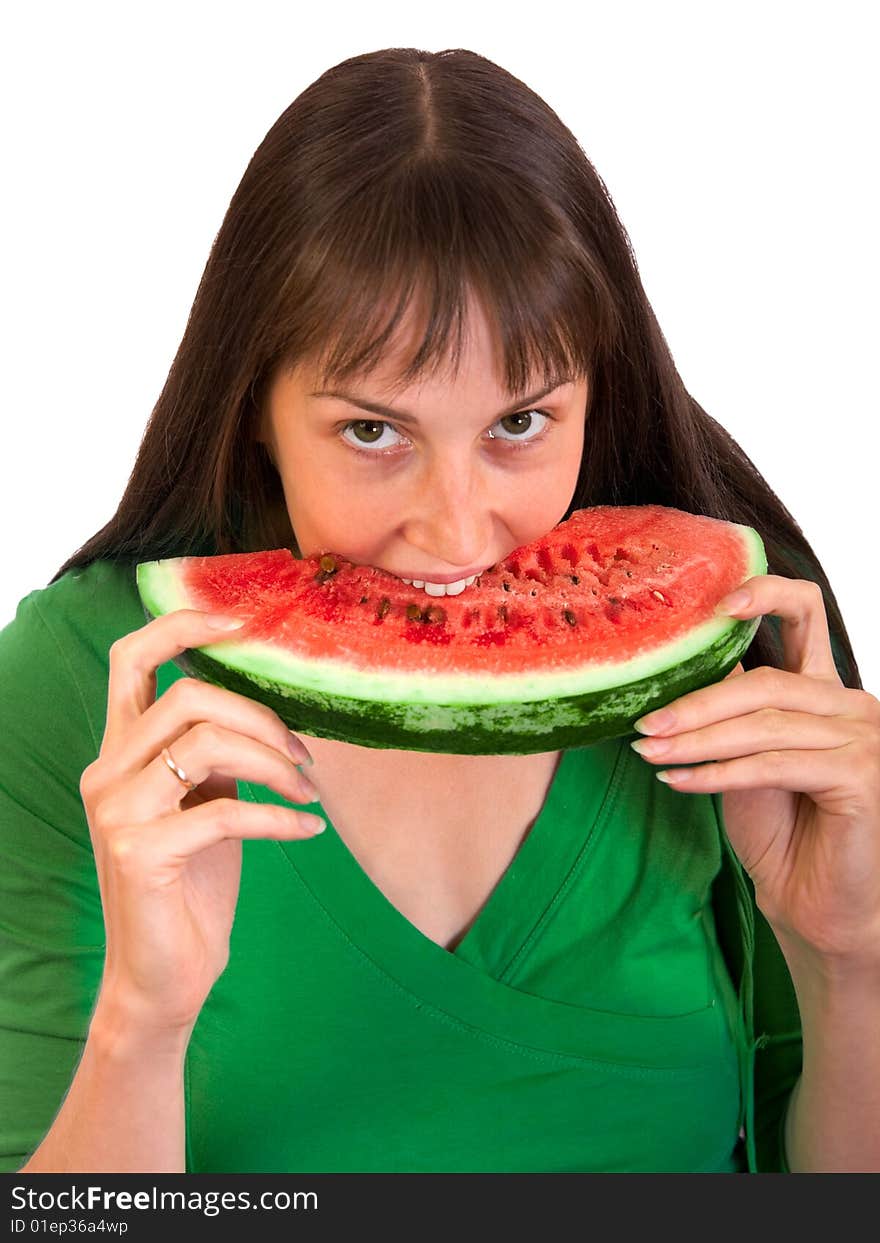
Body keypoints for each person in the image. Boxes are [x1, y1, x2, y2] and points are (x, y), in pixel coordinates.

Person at [1, 47, 877, 1176]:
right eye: (373, 431)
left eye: (520, 423)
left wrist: (848, 955)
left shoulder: (733, 664)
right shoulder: (79, 681)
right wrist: (143, 1018)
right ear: (254, 406)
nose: (458, 533)